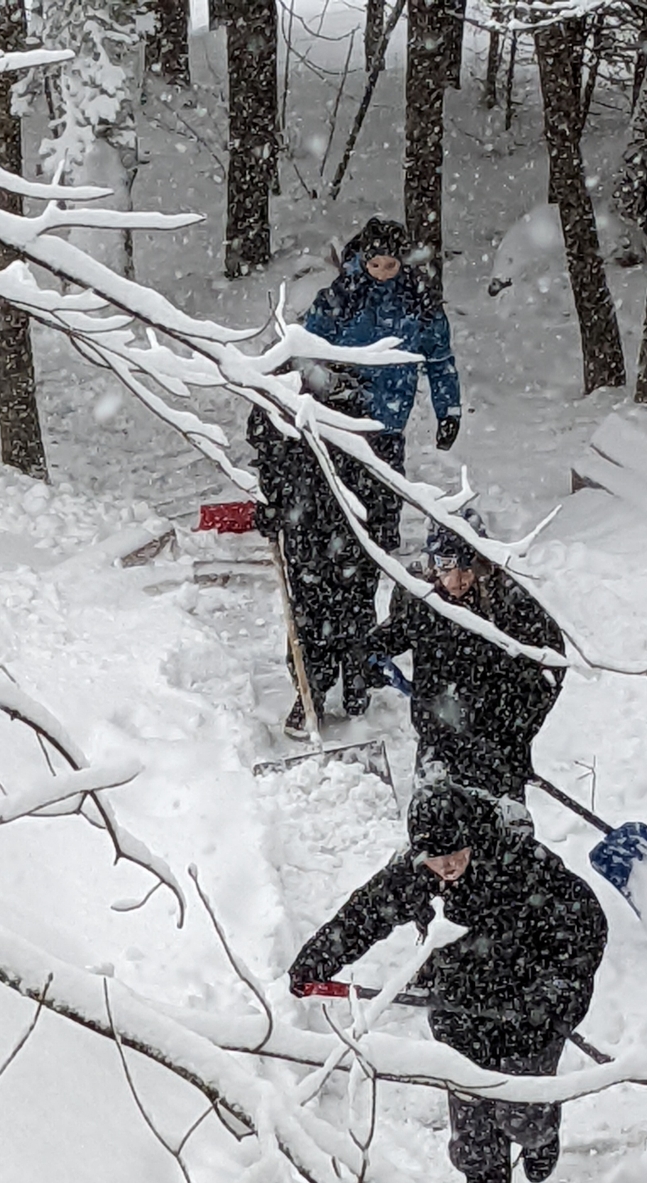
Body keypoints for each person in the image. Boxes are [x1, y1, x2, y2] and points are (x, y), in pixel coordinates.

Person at [289, 782, 608, 1183]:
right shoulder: (418, 872)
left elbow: (584, 925)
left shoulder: (522, 864)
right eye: (437, 857)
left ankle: (541, 1131)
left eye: (457, 851)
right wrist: (318, 958)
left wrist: (553, 995)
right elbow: (366, 913)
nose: (449, 864)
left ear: (472, 837)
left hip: (529, 1008)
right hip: (459, 1004)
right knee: (471, 1104)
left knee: (521, 1110)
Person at [366, 512, 566, 799]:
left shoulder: (509, 604)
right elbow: (389, 636)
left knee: (502, 835)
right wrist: (373, 656)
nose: (456, 581)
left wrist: (514, 731)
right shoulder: (420, 599)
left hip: (499, 749)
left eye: (467, 568)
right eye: (446, 567)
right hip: (439, 744)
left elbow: (550, 667)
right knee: (435, 829)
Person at [304, 217, 461, 551]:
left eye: (390, 264)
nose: (382, 271)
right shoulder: (341, 297)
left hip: (390, 417)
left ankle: (383, 551)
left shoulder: (419, 301)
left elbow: (439, 359)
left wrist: (448, 410)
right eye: (375, 264)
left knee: (385, 491)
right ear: (363, 259)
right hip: (341, 414)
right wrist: (325, 387)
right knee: (340, 493)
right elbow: (306, 352)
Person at [246, 368, 379, 732]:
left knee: (352, 608)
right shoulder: (269, 415)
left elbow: (372, 472)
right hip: (304, 535)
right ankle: (310, 693)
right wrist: (270, 508)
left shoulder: (342, 411)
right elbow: (270, 469)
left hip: (349, 528)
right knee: (307, 613)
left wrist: (378, 524)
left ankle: (357, 678)